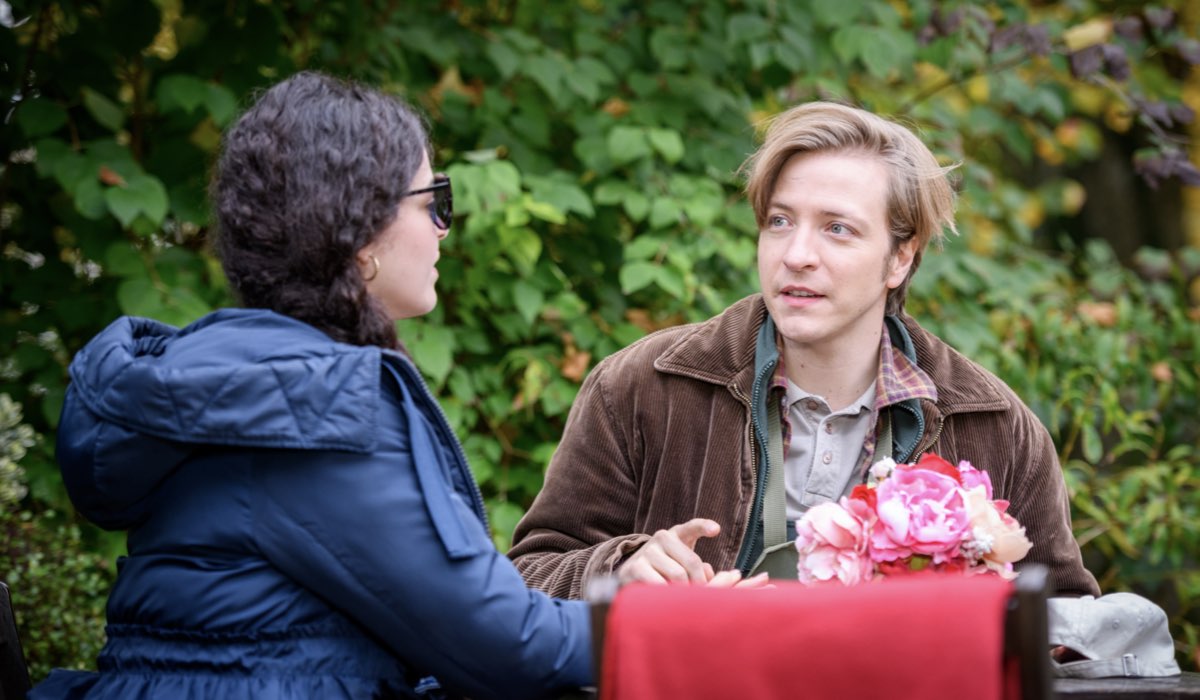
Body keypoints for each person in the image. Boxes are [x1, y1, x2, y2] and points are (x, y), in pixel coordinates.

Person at [30, 71, 592, 700]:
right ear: (359, 228)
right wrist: (668, 621)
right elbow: (504, 646)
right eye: (433, 199)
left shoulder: (231, 379)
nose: (442, 228)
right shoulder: (313, 402)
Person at [509, 101, 1101, 599]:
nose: (796, 254)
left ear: (900, 257)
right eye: (780, 221)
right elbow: (525, 576)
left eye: (837, 228)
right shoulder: (641, 386)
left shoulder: (997, 427)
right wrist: (621, 569)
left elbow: (1065, 628)